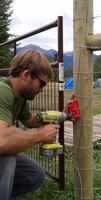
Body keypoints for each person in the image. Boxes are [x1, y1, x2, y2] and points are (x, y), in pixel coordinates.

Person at [0, 49, 60, 200]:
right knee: (8, 154)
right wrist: (40, 135)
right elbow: (3, 140)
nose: (41, 90)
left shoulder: (19, 97)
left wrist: (59, 116)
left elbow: (31, 121)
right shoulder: (3, 92)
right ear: (26, 75)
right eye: (41, 84)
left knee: (34, 175)